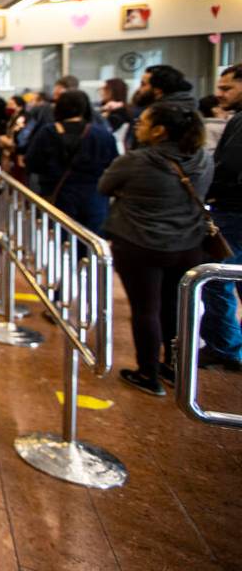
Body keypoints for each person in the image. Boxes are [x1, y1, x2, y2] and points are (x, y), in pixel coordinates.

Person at [98, 102, 211, 396]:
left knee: (145, 309)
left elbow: (105, 186)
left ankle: (147, 373)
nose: (138, 125)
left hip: (140, 244)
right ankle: (175, 367)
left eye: (144, 121)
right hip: (189, 244)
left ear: (160, 130)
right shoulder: (202, 159)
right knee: (175, 306)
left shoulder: (136, 160)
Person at [24, 90, 117, 233]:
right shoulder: (102, 134)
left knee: (59, 241)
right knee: (92, 241)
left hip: (57, 194)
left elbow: (32, 163)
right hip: (94, 197)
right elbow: (113, 164)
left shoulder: (48, 133)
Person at [200, 64, 242, 371]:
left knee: (219, 278)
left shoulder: (239, 122)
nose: (219, 93)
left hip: (233, 211)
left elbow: (228, 166)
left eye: (227, 88)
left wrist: (210, 194)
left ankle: (224, 347)